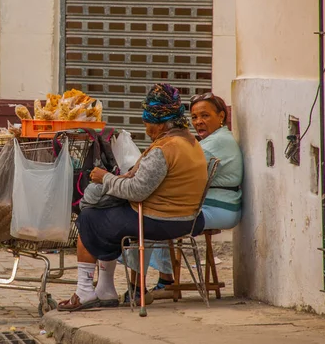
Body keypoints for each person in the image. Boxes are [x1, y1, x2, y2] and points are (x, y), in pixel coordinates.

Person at [57, 83, 208, 312]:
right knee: (105, 214)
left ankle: (85, 291)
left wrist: (106, 178)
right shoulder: (190, 141)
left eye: (148, 123)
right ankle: (105, 289)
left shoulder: (164, 148)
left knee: (89, 218)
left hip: (162, 220)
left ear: (159, 122)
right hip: (189, 217)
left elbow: (137, 191)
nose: (146, 129)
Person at [123, 93, 243, 303]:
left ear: (221, 116)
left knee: (154, 218)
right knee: (158, 211)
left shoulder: (218, 141)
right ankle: (165, 281)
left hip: (220, 208)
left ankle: (138, 287)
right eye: (195, 117)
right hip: (211, 204)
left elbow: (179, 167)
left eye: (205, 115)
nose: (198, 122)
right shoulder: (208, 141)